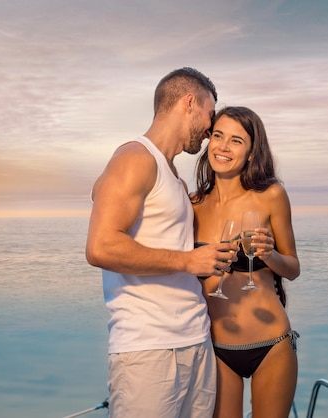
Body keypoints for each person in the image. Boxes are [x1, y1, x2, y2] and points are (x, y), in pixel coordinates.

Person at [85, 67, 238, 418]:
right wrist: (187, 261)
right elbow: (101, 247)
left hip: (195, 339)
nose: (210, 128)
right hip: (149, 350)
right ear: (189, 103)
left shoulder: (172, 175)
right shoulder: (135, 158)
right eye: (209, 114)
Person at [191, 106, 301, 418]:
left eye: (236, 141)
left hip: (271, 345)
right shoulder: (193, 204)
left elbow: (292, 268)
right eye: (218, 135)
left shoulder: (270, 195)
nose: (223, 147)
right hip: (217, 349)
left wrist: (270, 255)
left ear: (252, 152)